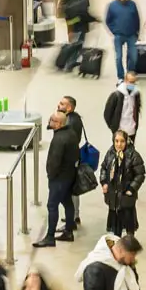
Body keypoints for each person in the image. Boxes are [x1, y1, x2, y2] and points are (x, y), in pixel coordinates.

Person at [34, 111, 79, 247]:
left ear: (59, 123)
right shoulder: (71, 133)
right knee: (67, 202)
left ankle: (50, 237)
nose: (50, 122)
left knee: (52, 205)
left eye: (52, 120)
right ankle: (69, 230)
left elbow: (54, 161)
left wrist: (51, 176)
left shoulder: (59, 139)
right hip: (69, 175)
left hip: (59, 178)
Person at [76, 234, 144, 290]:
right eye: (132, 255)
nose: (133, 259)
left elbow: (134, 285)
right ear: (121, 250)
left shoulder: (126, 262)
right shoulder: (95, 269)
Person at [99, 129, 146, 237]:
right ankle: (117, 241)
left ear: (126, 142)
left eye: (122, 141)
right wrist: (104, 182)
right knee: (116, 222)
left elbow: (140, 174)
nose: (119, 144)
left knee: (128, 220)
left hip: (126, 194)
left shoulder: (133, 155)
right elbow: (104, 168)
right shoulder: (110, 153)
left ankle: (130, 242)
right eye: (116, 141)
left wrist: (131, 189)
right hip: (113, 195)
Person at [59, 95, 85, 231]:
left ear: (69, 107)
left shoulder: (71, 122)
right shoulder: (74, 118)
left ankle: (73, 217)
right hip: (73, 158)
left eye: (62, 104)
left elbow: (67, 142)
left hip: (70, 161)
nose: (58, 105)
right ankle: (74, 215)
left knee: (70, 190)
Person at [105, 0, 141, 83]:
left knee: (133, 56)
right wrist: (114, 31)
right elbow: (108, 21)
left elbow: (137, 19)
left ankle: (130, 74)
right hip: (119, 35)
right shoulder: (112, 6)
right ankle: (121, 77)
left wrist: (137, 32)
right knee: (118, 57)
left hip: (131, 35)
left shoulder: (132, 4)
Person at [59, 0, 96, 72]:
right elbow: (84, 13)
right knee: (78, 45)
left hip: (72, 25)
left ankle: (68, 62)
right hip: (80, 25)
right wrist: (94, 19)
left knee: (74, 44)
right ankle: (70, 63)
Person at [104, 71, 141, 143]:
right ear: (125, 81)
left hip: (131, 130)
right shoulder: (116, 95)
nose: (132, 84)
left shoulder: (136, 94)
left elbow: (137, 110)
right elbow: (107, 113)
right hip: (119, 130)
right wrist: (113, 128)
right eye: (130, 81)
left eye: (134, 82)